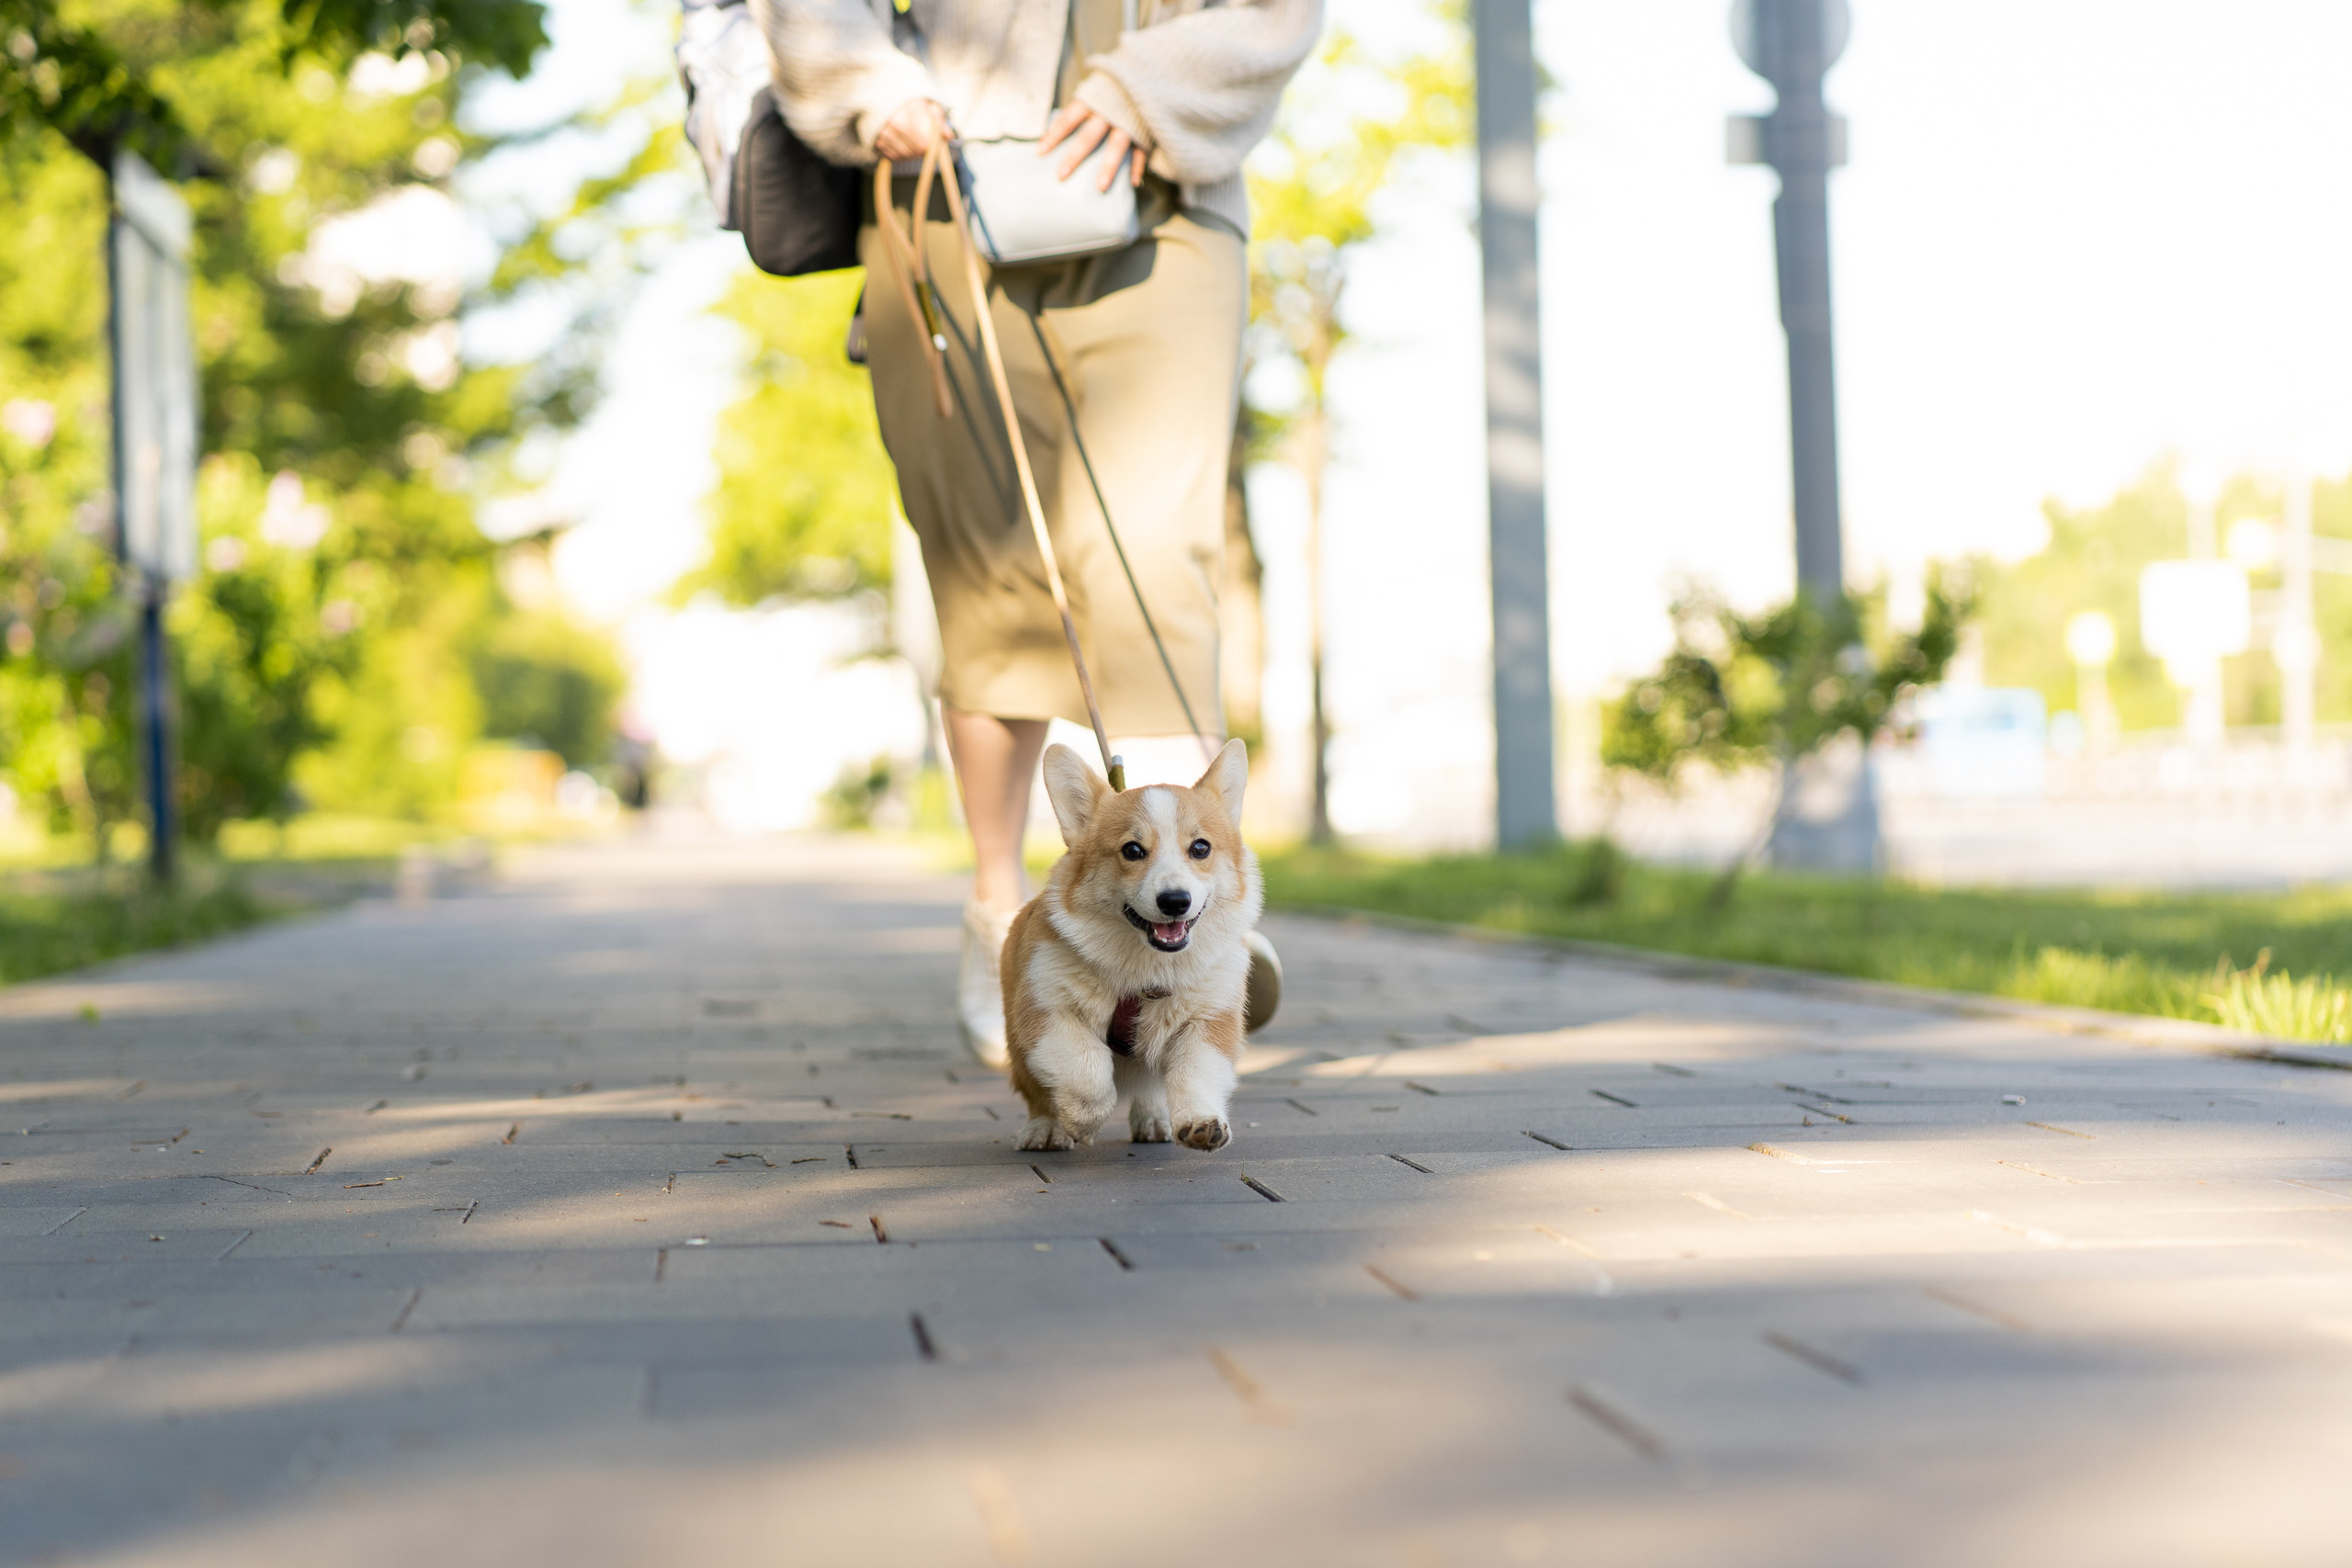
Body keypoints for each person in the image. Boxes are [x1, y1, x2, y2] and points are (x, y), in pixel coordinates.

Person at [752, 0, 1319, 1065]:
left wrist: (1152, 83)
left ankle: (1186, 910)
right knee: (987, 570)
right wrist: (862, 81)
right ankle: (1004, 917)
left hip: (1164, 185)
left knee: (1155, 549)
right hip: (939, 185)